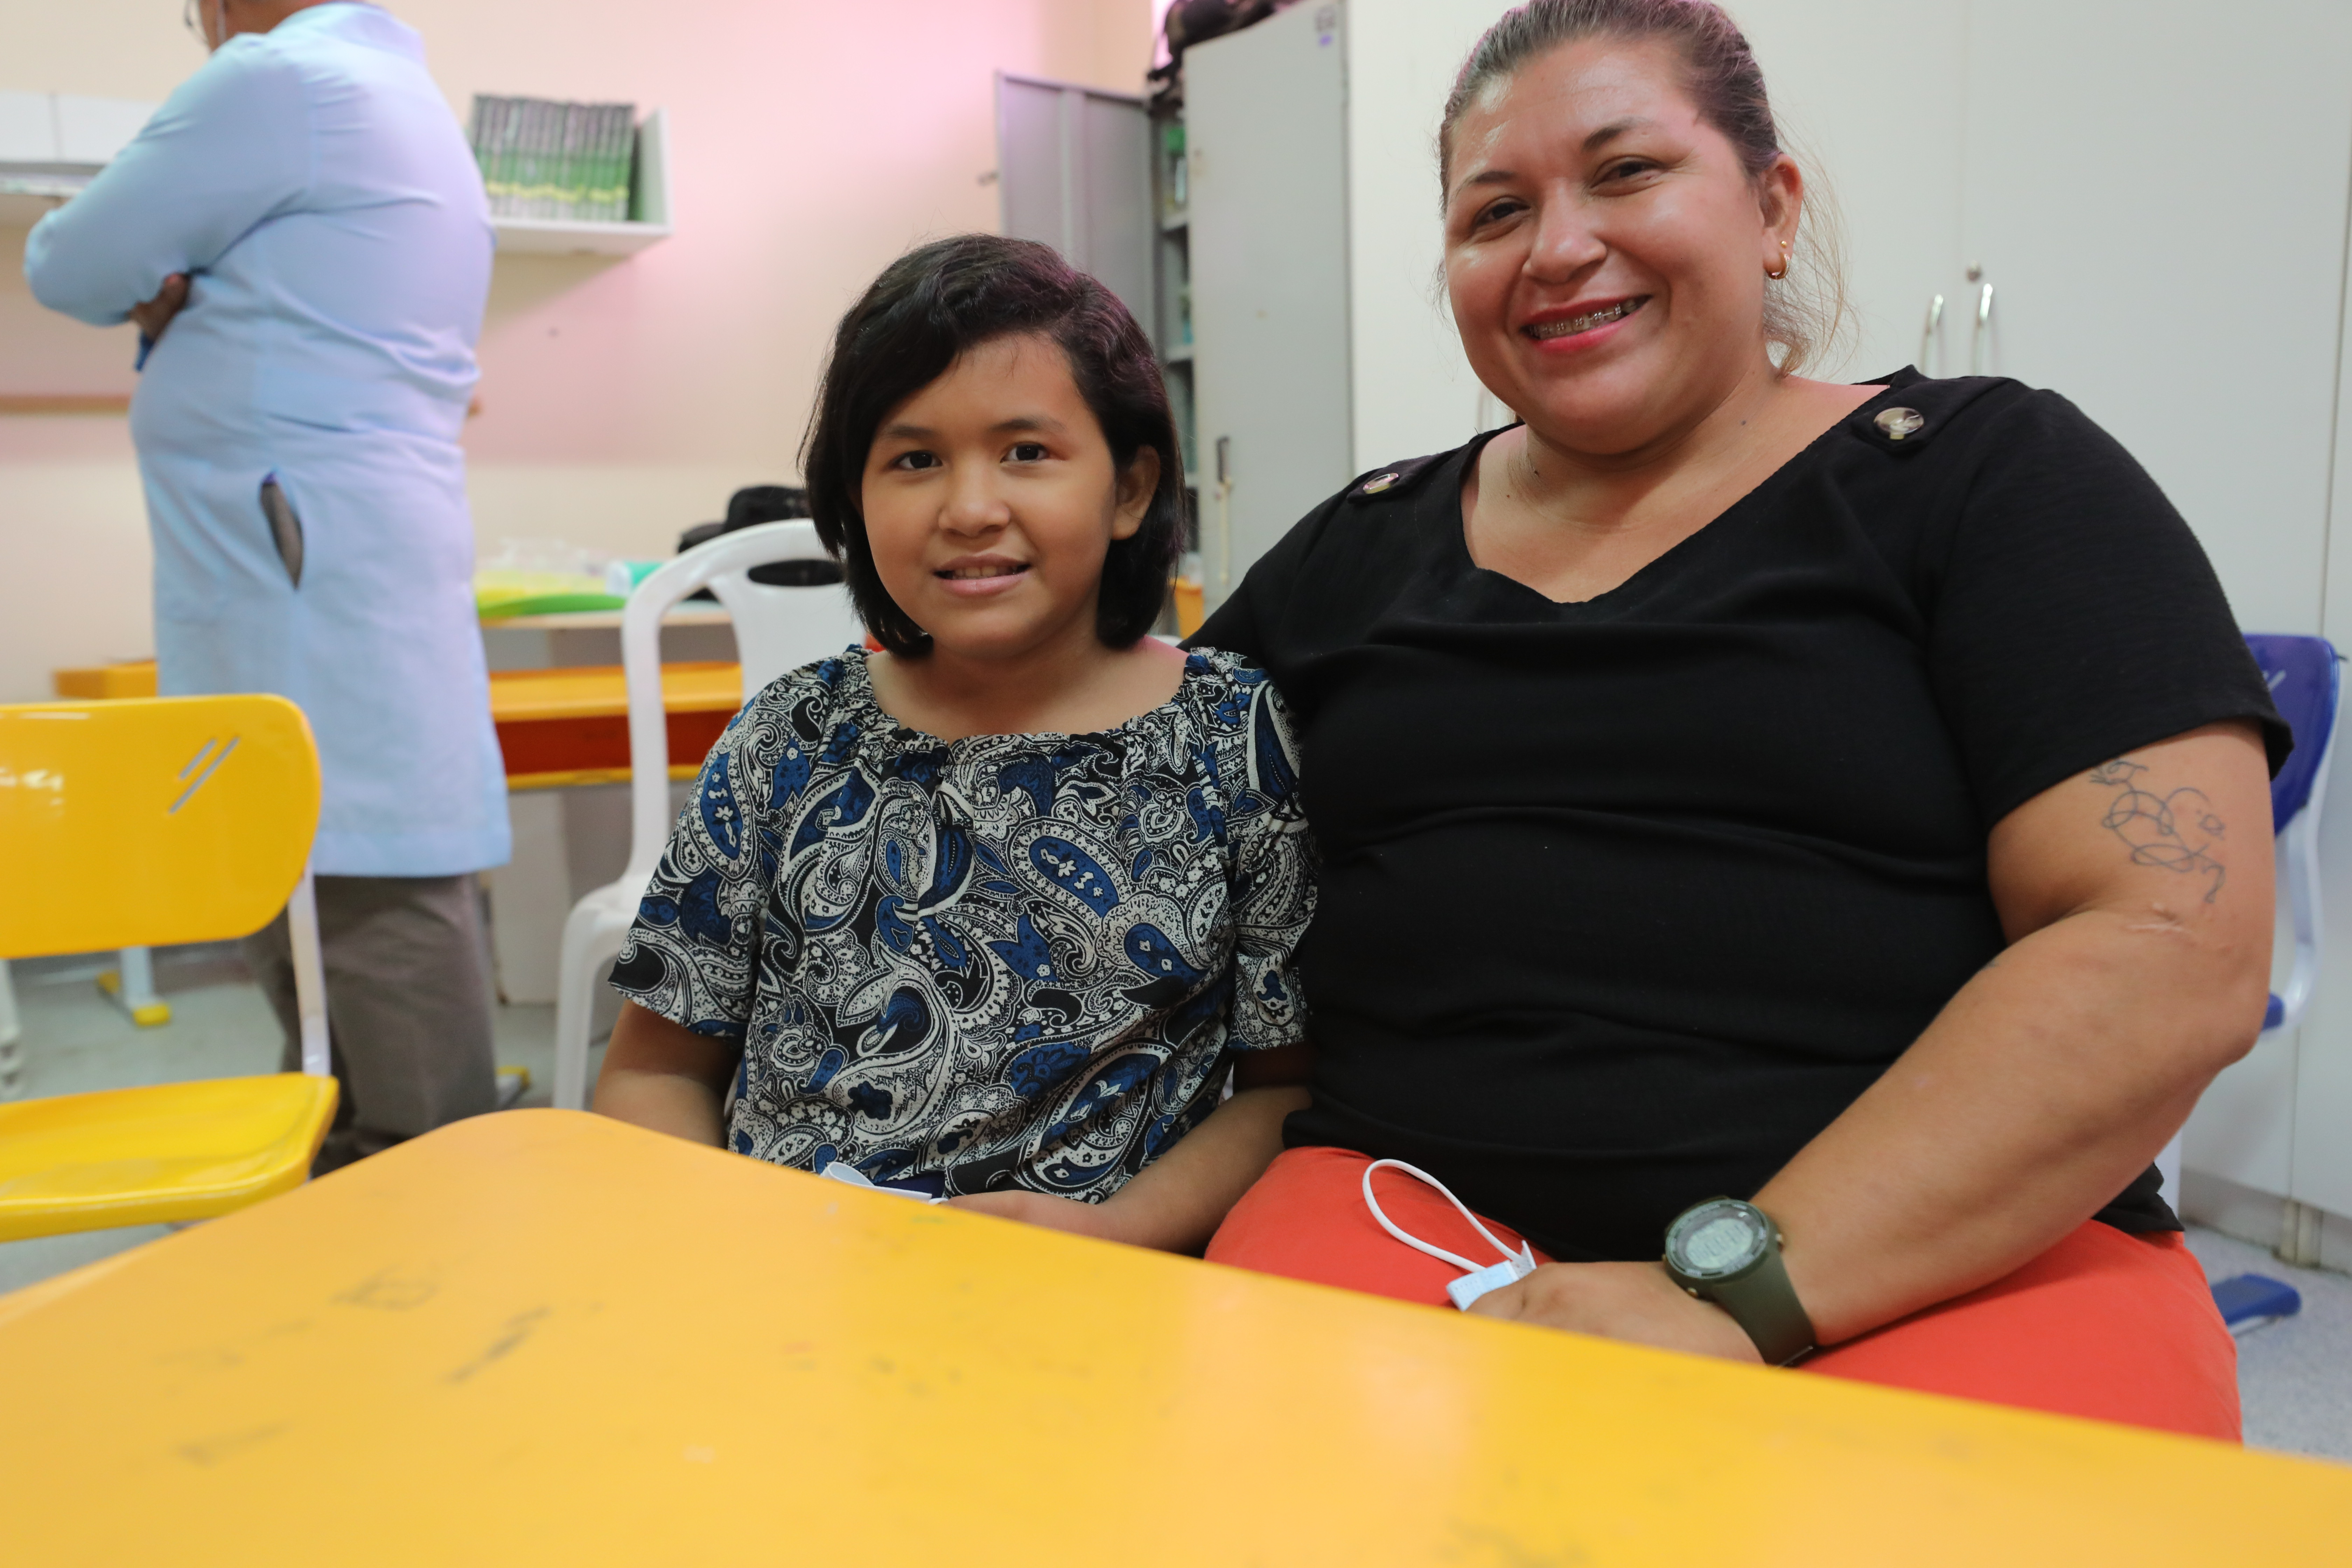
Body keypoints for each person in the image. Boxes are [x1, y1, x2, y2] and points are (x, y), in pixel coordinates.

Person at [1190, 0, 2285, 1441]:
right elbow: (1126, 832)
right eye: (1495, 210)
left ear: (1771, 210)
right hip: (1408, 1218)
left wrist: (1744, 1291)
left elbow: (2167, 943)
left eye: (1628, 172)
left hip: (1940, 1258)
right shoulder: (1355, 550)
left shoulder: (1992, 482)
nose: (1559, 245)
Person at [593, 236, 1318, 1245]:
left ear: (1132, 488)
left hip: (1096, 1298)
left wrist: (1121, 1235)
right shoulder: (791, 733)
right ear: (852, 499)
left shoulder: (1233, 737)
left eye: (1028, 452)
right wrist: (724, 1237)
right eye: (914, 459)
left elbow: (1284, 1088)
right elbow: (655, 1066)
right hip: (792, 1281)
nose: (971, 509)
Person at [24, 1, 507, 1168]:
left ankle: (418, 1177)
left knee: (347, 850)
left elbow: (72, 265)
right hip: (322, 529)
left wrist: (164, 271)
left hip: (297, 537)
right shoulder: (393, 97)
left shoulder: (278, 80)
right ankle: (354, 1157)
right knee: (327, 843)